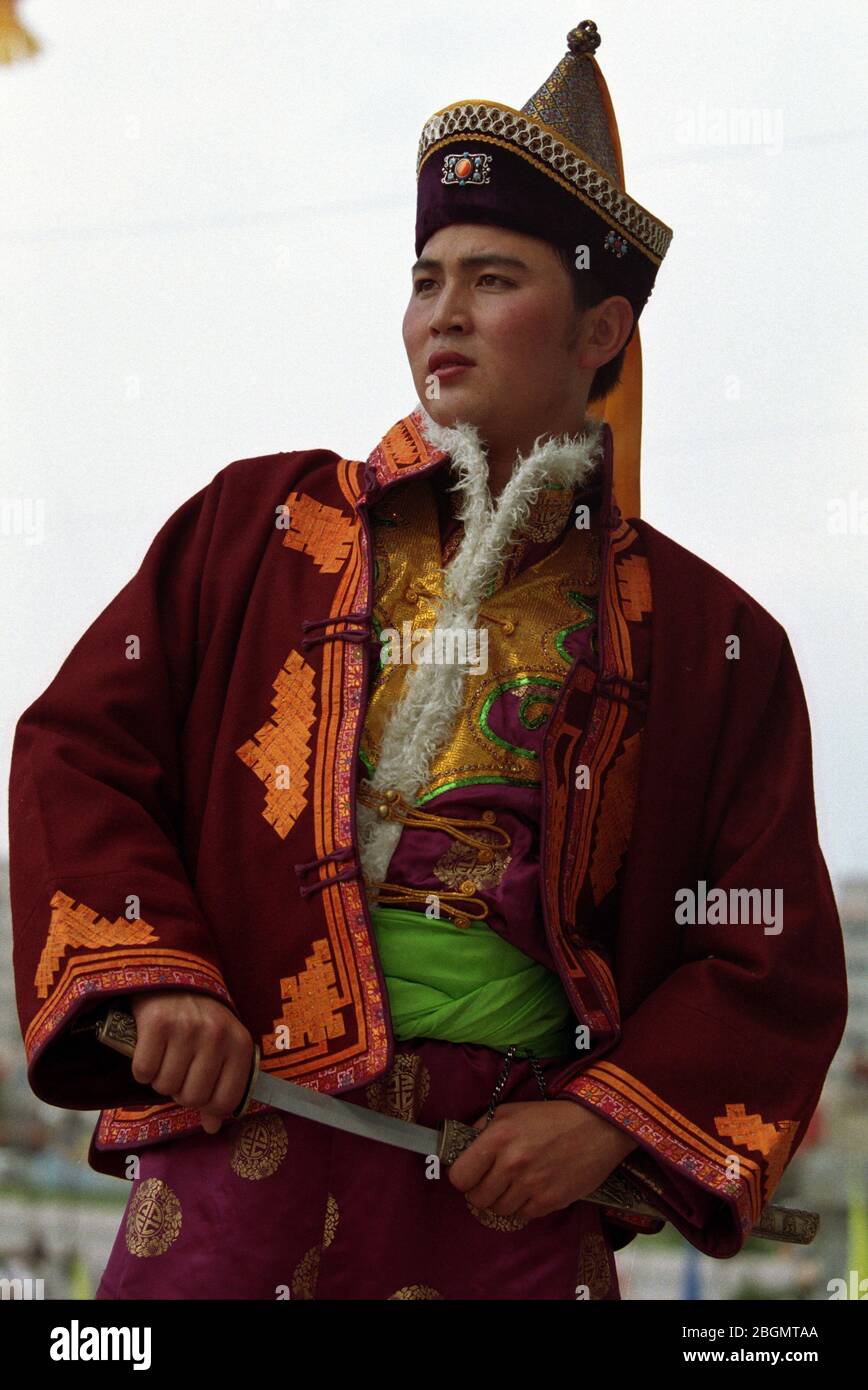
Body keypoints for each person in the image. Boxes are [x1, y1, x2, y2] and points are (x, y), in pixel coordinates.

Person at [9, 19, 847, 1301]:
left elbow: (767, 939)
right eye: (425, 278)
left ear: (599, 328)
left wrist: (607, 1121)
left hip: (511, 1181)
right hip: (250, 1133)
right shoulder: (257, 528)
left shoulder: (711, 638)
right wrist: (160, 970)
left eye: (494, 280)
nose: (441, 316)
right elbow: (79, 751)